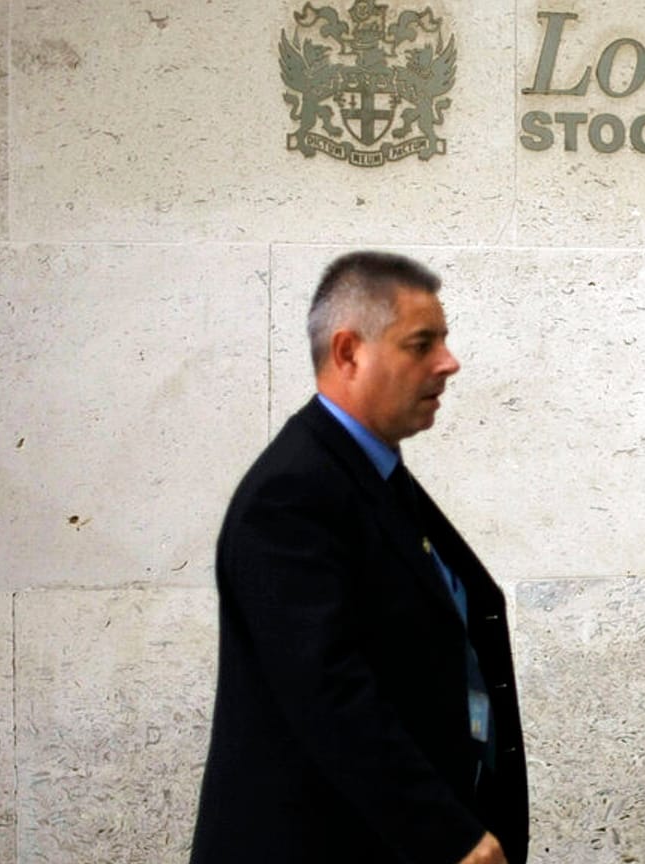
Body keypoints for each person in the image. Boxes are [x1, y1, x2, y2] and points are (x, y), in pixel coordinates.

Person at [191, 252, 528, 864]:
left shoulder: (372, 474)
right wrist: (450, 836)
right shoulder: (291, 495)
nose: (448, 363)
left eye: (444, 340)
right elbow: (329, 695)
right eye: (421, 344)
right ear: (348, 352)